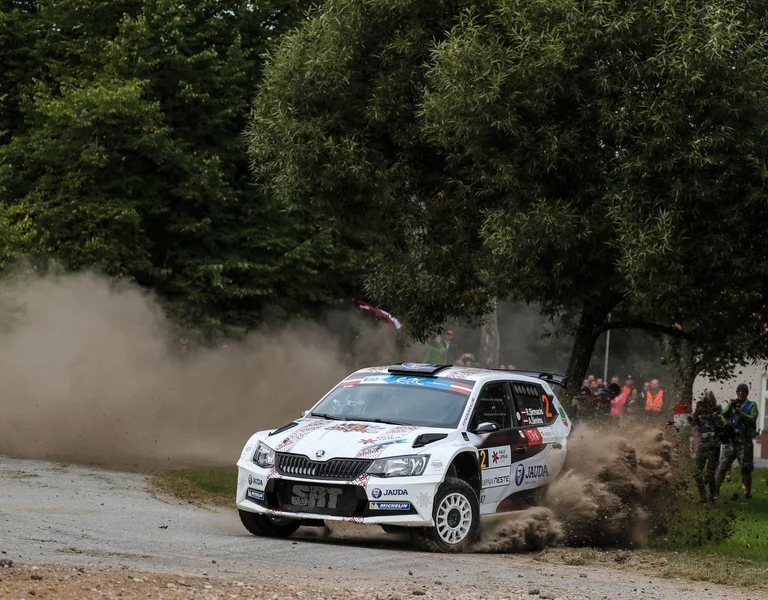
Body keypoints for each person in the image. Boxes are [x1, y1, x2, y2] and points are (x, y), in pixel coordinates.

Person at [716, 383, 759, 499]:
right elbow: (723, 416)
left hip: (744, 441)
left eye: (743, 391)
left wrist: (741, 413)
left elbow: (752, 419)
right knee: (722, 467)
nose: (740, 393)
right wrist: (728, 407)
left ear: (746, 393)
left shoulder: (752, 405)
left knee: (746, 469)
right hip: (730, 440)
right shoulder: (733, 403)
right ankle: (715, 492)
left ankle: (748, 493)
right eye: (738, 391)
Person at [690, 391, 726, 503]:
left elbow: (723, 429)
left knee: (710, 474)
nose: (705, 405)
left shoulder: (717, 413)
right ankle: (703, 497)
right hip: (702, 445)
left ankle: (712, 498)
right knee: (697, 472)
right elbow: (693, 425)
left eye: (707, 402)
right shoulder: (698, 412)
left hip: (714, 446)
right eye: (703, 402)